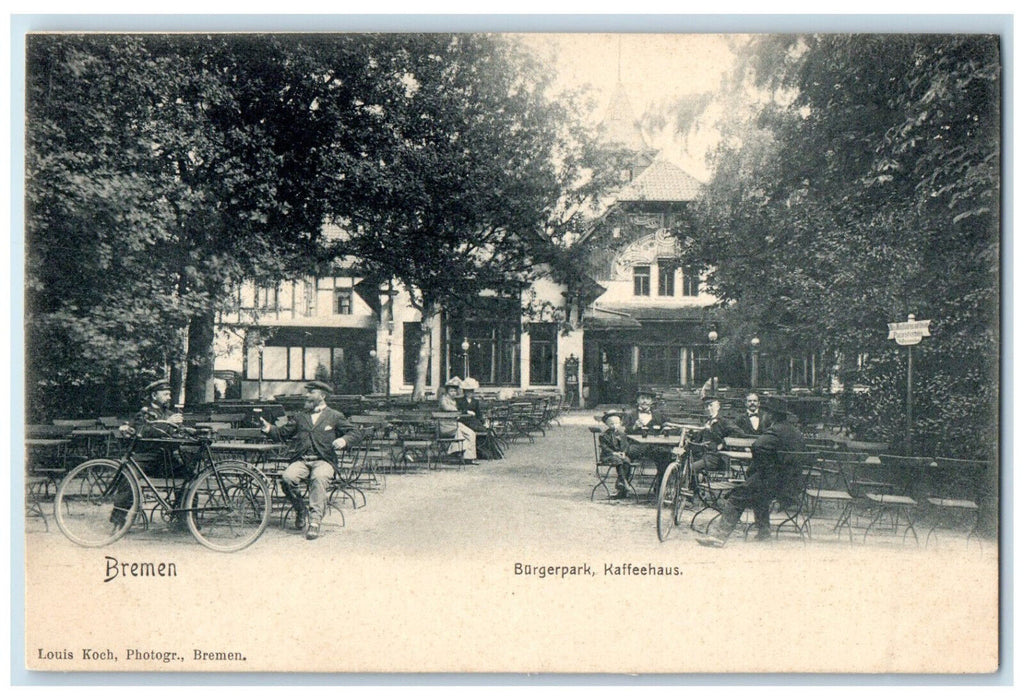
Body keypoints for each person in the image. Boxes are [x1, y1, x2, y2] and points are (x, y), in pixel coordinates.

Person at [260, 380, 364, 540]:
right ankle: (300, 509)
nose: (306, 395)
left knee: (319, 478)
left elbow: (355, 433)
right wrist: (268, 428)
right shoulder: (300, 416)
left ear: (322, 396)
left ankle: (315, 522)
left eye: (311, 393)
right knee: (287, 478)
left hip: (324, 461)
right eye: (307, 392)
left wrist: (343, 440)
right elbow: (283, 433)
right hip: (301, 460)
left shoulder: (334, 416)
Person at [696, 396, 806, 547]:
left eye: (766, 413)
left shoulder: (775, 431)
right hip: (793, 483)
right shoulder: (796, 433)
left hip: (776, 483)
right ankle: (764, 533)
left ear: (771, 415)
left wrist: (758, 469)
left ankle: (719, 536)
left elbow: (757, 446)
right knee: (757, 492)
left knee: (738, 494)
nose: (764, 415)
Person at [112, 379, 190, 529]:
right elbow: (145, 431)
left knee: (190, 476)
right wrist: (167, 422)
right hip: (144, 459)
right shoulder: (145, 413)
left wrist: (182, 430)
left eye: (169, 394)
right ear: (154, 395)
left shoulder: (169, 413)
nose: (169, 397)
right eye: (165, 394)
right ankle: (118, 520)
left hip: (164, 460)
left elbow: (173, 433)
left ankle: (184, 517)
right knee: (128, 479)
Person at [624, 387, 676, 486]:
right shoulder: (631, 414)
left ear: (651, 401)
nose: (644, 401)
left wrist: (666, 427)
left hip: (654, 446)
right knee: (625, 456)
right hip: (637, 446)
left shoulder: (658, 414)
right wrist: (634, 427)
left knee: (666, 455)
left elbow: (669, 424)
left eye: (647, 399)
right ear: (638, 400)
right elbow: (624, 431)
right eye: (642, 398)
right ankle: (623, 486)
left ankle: (660, 486)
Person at [688, 395, 741, 475]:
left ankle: (694, 486)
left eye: (711, 405)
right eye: (706, 406)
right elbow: (700, 438)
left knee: (691, 468)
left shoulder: (723, 421)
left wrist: (723, 444)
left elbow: (738, 432)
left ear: (718, 406)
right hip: (704, 455)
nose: (709, 408)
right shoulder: (707, 421)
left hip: (716, 457)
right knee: (685, 465)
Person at [457, 377, 500, 460]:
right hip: (464, 421)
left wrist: (484, 422)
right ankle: (480, 452)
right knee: (478, 430)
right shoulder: (459, 400)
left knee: (486, 431)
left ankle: (488, 453)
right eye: (467, 391)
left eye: (471, 391)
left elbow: (479, 413)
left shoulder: (475, 401)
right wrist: (466, 412)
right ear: (464, 391)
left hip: (474, 421)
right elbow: (458, 411)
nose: (469, 393)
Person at [598, 409, 637, 500]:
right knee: (618, 461)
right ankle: (624, 481)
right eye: (611, 423)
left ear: (620, 423)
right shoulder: (604, 435)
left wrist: (623, 452)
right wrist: (614, 453)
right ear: (607, 424)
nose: (614, 425)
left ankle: (621, 483)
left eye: (616, 423)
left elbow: (626, 445)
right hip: (608, 456)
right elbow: (604, 447)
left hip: (620, 455)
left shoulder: (622, 434)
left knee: (627, 460)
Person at [438, 377, 477, 462]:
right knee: (469, 434)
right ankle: (464, 456)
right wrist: (459, 412)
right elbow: (447, 408)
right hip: (446, 425)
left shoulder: (454, 400)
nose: (453, 393)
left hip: (454, 424)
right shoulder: (443, 399)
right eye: (451, 391)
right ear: (447, 391)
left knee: (470, 434)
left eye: (455, 391)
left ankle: (468, 457)